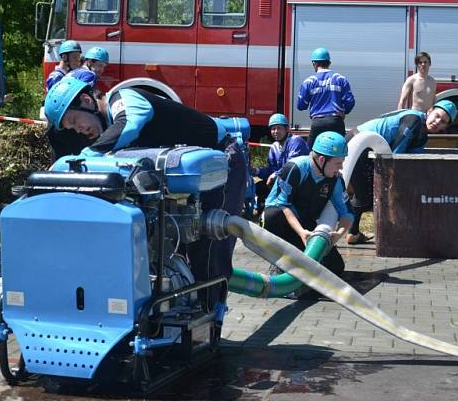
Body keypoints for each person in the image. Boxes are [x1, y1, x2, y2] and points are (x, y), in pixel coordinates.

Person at [44, 77, 247, 310]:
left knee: (209, 245)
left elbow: (128, 124)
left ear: (86, 100)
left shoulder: (126, 99)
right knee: (174, 243)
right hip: (189, 177)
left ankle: (209, 323)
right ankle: (176, 314)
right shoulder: (110, 126)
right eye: (71, 127)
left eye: (74, 120)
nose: (78, 129)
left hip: (221, 161)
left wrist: (83, 157)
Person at [345, 100, 457, 244]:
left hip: (368, 149)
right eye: (437, 116)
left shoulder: (422, 137)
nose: (437, 122)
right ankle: (352, 232)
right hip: (357, 144)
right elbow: (395, 155)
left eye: (443, 121)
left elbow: (411, 164)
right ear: (429, 111)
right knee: (368, 194)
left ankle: (354, 233)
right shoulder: (414, 120)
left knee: (371, 194)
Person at [263, 131, 353, 282]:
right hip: (281, 222)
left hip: (305, 223)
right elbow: (282, 205)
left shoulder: (335, 179)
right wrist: (302, 233)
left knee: (335, 267)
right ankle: (279, 262)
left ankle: (296, 258)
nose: (341, 167)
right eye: (338, 163)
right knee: (274, 215)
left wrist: (338, 234)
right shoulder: (296, 167)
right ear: (322, 159)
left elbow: (347, 213)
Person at [296, 47, 355, 148]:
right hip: (336, 122)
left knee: (311, 154)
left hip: (318, 123)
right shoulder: (340, 79)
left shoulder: (308, 82)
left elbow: (301, 105)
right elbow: (350, 102)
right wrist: (344, 112)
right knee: (339, 153)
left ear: (314, 63)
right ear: (329, 63)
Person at [252, 113, 309, 212]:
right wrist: (256, 171)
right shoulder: (274, 146)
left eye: (279, 128)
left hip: (299, 183)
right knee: (258, 187)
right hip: (282, 181)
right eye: (273, 129)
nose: (275, 131)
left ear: (286, 129)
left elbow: (292, 167)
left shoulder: (296, 141)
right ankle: (263, 207)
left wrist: (275, 175)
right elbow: (270, 170)